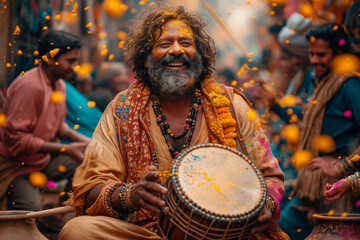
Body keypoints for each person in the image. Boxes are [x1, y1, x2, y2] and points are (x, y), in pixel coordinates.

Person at [59, 7, 287, 240]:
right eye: (164, 44)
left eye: (186, 43)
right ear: (146, 60)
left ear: (199, 55)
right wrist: (132, 195)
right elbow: (91, 188)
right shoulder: (122, 108)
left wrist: (266, 206)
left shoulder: (231, 104)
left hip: (225, 234)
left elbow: (270, 176)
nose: (177, 50)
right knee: (76, 231)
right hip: (149, 232)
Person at [279, 23, 360, 239]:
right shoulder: (318, 81)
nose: (314, 60)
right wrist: (275, 105)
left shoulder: (350, 85)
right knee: (272, 231)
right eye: (312, 54)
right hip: (309, 187)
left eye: (321, 55)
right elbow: (305, 117)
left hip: (338, 191)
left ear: (339, 54)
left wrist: (342, 166)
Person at [0, 30, 91, 211]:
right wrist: (65, 148)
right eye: (71, 61)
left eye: (76, 61)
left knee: (91, 159)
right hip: (17, 167)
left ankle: (65, 210)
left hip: (42, 160)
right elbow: (18, 139)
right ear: (50, 59)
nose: (75, 67)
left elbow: (59, 128)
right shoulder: (30, 86)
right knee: (31, 213)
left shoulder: (59, 85)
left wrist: (89, 143)